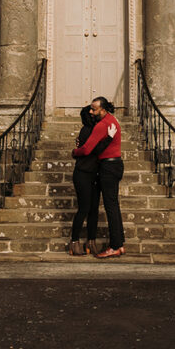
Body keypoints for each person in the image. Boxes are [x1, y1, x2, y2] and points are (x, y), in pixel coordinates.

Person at [72, 96, 124, 258]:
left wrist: (74, 152)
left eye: (94, 109)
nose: (91, 112)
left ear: (103, 109)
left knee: (110, 206)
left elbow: (87, 150)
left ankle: (115, 246)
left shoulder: (102, 125)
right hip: (114, 165)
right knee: (112, 205)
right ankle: (119, 243)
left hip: (108, 167)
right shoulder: (112, 119)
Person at [67, 104, 107, 256]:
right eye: (91, 114)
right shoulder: (87, 131)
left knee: (94, 210)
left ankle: (91, 241)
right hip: (83, 174)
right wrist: (109, 137)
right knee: (84, 208)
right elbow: (94, 149)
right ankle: (74, 242)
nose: (94, 115)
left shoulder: (94, 130)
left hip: (94, 174)